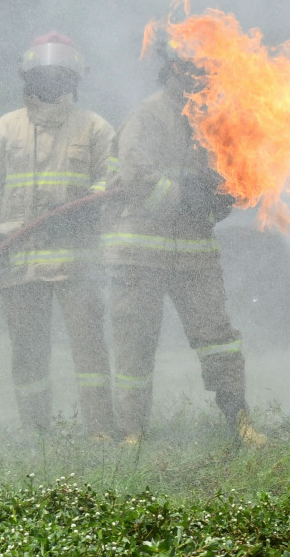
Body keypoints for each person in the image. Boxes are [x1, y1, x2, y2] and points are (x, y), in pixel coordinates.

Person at [103, 43, 265, 446]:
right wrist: (183, 196)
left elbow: (228, 183)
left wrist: (224, 198)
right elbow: (137, 177)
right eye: (196, 72)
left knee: (219, 338)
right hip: (140, 254)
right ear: (175, 71)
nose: (203, 82)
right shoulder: (148, 116)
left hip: (194, 254)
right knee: (135, 343)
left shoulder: (213, 122)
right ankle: (132, 431)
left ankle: (239, 420)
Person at [0, 32, 116, 436]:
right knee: (28, 356)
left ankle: (100, 432)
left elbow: (112, 182)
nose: (51, 81)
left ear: (74, 79)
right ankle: (37, 435)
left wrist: (82, 214)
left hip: (76, 261)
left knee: (90, 351)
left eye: (59, 74)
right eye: (43, 74)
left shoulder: (95, 128)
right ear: (27, 77)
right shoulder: (5, 129)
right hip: (18, 259)